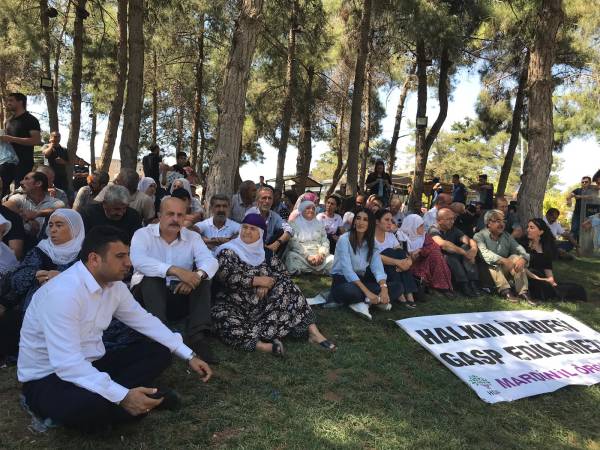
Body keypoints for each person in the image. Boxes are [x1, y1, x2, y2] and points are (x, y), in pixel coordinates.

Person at [17, 225, 212, 431]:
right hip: (49, 378)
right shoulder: (63, 294)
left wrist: (189, 355)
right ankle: (130, 400)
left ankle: (123, 399)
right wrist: (123, 396)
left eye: (128, 255)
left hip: (91, 364)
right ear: (94, 259)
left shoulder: (114, 286)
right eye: (120, 256)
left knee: (160, 351)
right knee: (88, 406)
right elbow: (68, 365)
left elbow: (145, 321)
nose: (129, 263)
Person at [212, 214, 335, 355]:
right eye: (244, 227)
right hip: (235, 304)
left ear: (260, 234)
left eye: (252, 229)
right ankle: (264, 346)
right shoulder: (228, 250)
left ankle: (314, 332)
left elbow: (283, 273)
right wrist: (257, 280)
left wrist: (268, 282)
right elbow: (226, 276)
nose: (247, 231)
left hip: (265, 305)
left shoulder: (266, 253)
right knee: (221, 318)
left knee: (288, 286)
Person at [130, 197, 218, 362]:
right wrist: (175, 270)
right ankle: (159, 336)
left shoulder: (192, 237)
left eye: (180, 215)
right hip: (146, 298)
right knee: (152, 278)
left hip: (178, 294)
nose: (175, 219)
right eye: (170, 214)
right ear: (159, 215)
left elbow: (210, 261)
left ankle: (198, 337)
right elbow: (139, 261)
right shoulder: (143, 234)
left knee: (204, 279)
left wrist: (195, 277)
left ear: (185, 217)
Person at [329, 208, 402, 320]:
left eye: (365, 220)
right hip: (342, 280)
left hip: (361, 280)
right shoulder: (344, 239)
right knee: (351, 291)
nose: (360, 222)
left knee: (397, 287)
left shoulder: (371, 242)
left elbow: (378, 268)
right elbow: (348, 272)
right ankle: (370, 301)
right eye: (358, 218)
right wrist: (368, 292)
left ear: (370, 224)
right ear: (354, 221)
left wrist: (384, 289)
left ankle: (365, 301)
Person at [9, 209, 84, 312]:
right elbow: (16, 280)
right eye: (51, 225)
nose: (52, 230)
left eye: (59, 225)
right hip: (35, 311)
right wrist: (36, 275)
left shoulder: (85, 255)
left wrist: (63, 278)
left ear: (75, 228)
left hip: (72, 311)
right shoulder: (41, 250)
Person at [474, 209, 533, 304]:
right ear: (488, 223)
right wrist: (502, 260)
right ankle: (506, 292)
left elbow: (519, 248)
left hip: (502, 273)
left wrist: (524, 258)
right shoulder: (479, 236)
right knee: (493, 262)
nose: (502, 224)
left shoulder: (506, 236)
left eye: (503, 221)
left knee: (516, 257)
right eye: (498, 221)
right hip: (486, 274)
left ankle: (523, 292)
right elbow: (485, 254)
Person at [522, 218, 587, 302]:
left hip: (543, 279)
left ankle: (558, 293)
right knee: (542, 286)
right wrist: (539, 279)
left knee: (578, 289)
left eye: (531, 227)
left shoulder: (545, 247)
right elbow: (522, 268)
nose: (528, 230)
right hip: (529, 277)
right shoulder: (523, 245)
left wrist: (551, 280)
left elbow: (547, 268)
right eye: (528, 227)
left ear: (540, 232)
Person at [428, 208, 481, 297]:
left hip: (453, 256)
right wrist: (465, 253)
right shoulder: (433, 230)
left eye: (453, 219)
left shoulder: (453, 229)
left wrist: (473, 250)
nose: (452, 221)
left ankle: (473, 283)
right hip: (439, 260)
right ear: (439, 220)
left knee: (466, 247)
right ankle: (464, 284)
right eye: (448, 219)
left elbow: (468, 240)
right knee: (449, 256)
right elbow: (443, 244)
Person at [397, 214, 454, 297]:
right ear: (412, 226)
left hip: (422, 261)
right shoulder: (400, 236)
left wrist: (420, 250)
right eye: (420, 226)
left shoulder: (424, 236)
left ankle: (441, 287)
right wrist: (410, 256)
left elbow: (435, 246)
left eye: (423, 225)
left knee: (436, 254)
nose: (423, 228)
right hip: (407, 264)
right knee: (435, 255)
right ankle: (436, 287)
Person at [373, 209, 418, 309]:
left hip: (392, 267)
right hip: (375, 270)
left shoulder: (390, 236)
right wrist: (398, 263)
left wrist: (407, 263)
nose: (390, 223)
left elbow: (401, 253)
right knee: (389, 252)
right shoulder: (370, 237)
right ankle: (401, 296)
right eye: (386, 220)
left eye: (391, 220)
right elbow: (374, 257)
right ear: (377, 221)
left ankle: (409, 294)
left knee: (399, 252)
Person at [3, 171, 65, 241]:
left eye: (26, 179)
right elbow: (6, 206)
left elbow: (60, 209)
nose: (21, 182)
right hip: (23, 241)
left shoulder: (54, 202)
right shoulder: (19, 197)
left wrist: (37, 213)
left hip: (47, 244)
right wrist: (27, 219)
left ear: (38, 183)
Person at [1, 93, 41, 187]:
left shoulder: (31, 120)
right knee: (3, 188)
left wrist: (12, 139)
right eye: (7, 101)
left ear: (20, 102)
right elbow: (7, 140)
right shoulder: (8, 121)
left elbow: (36, 140)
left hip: (24, 163)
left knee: (20, 190)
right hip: (6, 162)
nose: (8, 103)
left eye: (11, 100)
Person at [285, 201, 334, 275]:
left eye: (313, 209)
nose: (311, 210)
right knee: (291, 256)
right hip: (302, 254)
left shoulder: (319, 224)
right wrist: (307, 256)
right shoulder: (293, 224)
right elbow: (293, 242)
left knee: (333, 259)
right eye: (308, 208)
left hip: (318, 253)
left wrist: (321, 254)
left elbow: (325, 240)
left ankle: (307, 270)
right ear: (302, 209)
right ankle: (319, 270)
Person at [246, 185, 293, 253]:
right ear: (257, 200)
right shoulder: (251, 213)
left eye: (270, 198)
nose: (267, 201)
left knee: (283, 234)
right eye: (264, 198)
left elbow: (289, 229)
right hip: (251, 249)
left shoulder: (274, 216)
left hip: (268, 248)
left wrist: (277, 243)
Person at [566, 176, 592, 242]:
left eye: (586, 182)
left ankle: (583, 247)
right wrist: (569, 200)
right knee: (574, 230)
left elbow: (591, 197)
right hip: (577, 214)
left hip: (588, 215)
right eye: (582, 182)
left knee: (585, 232)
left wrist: (580, 196)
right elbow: (570, 195)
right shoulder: (578, 190)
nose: (584, 183)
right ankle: (571, 245)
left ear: (590, 183)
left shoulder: (592, 190)